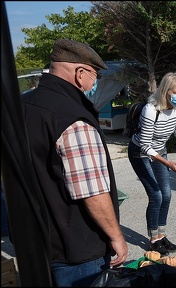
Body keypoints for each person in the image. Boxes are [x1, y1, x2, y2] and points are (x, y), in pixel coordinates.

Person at [21, 39, 128, 287]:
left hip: (33, 238)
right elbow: (92, 192)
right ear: (80, 74)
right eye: (95, 76)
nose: (95, 83)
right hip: (76, 249)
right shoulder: (73, 117)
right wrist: (116, 237)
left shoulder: (23, 105)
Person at [128, 72, 176, 256]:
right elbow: (144, 145)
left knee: (166, 195)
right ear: (165, 91)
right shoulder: (151, 109)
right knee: (156, 196)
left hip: (160, 151)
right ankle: (153, 240)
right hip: (140, 153)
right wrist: (167, 163)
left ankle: (162, 236)